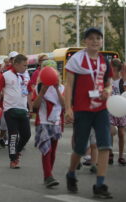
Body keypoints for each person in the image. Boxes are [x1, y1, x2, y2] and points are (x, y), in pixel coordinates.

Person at [64, 28, 113, 199]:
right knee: (79, 147)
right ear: (85, 41)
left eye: (98, 38)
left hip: (101, 108)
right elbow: (69, 85)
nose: (95, 41)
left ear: (101, 41)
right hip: (82, 109)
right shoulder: (76, 61)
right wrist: (68, 108)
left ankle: (100, 184)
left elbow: (108, 83)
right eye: (91, 38)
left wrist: (107, 90)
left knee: (105, 145)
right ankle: (71, 173)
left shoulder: (104, 61)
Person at [0, 54, 31, 169]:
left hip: (23, 109)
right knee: (13, 135)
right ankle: (13, 159)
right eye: (24, 65)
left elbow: (28, 92)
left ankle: (17, 151)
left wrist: (30, 107)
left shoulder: (25, 76)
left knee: (27, 134)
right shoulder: (6, 75)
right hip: (10, 109)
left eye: (27, 65)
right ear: (16, 64)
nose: (26, 68)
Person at [32, 60, 64, 188]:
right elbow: (35, 106)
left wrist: (56, 89)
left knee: (53, 151)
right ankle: (48, 176)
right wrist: (42, 92)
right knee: (46, 149)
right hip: (43, 121)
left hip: (56, 121)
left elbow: (64, 105)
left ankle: (49, 174)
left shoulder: (62, 87)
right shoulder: (38, 87)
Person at [108, 58, 126, 166]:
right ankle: (110, 153)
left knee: (121, 133)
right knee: (110, 132)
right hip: (110, 109)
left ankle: (121, 156)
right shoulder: (108, 80)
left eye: (115, 68)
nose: (113, 71)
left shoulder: (122, 81)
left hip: (121, 108)